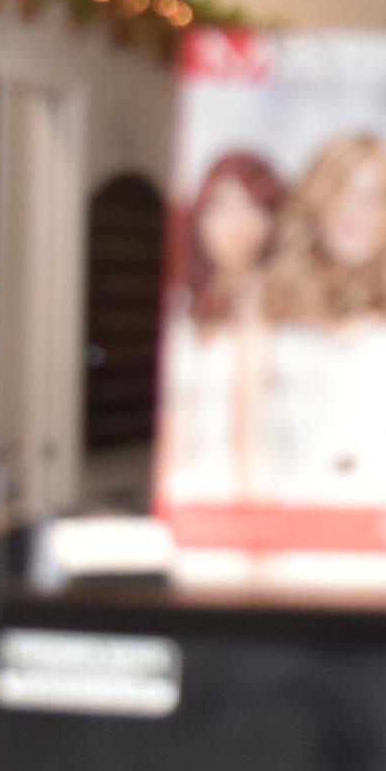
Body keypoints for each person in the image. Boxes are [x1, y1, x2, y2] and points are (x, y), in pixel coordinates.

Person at [258, 133, 386, 499]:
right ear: (317, 201)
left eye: (375, 200)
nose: (357, 214)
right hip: (294, 505)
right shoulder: (269, 301)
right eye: (343, 194)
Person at [158, 150, 286, 512]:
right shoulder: (183, 306)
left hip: (254, 494)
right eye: (221, 207)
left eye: (251, 207)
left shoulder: (275, 301)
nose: (236, 223)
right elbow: (174, 423)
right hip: (189, 491)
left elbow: (251, 431)